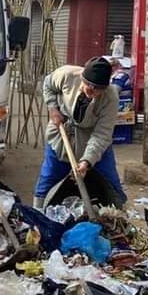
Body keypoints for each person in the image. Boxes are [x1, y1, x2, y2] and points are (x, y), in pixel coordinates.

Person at [33, 57, 127, 210]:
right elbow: (48, 85)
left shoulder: (110, 98)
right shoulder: (67, 75)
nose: (91, 89)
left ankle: (119, 214)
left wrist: (87, 161)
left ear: (104, 88)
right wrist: (53, 108)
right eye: (88, 84)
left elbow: (102, 134)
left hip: (92, 140)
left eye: (96, 88)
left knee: (110, 181)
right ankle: (38, 213)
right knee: (48, 177)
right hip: (62, 136)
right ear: (82, 77)